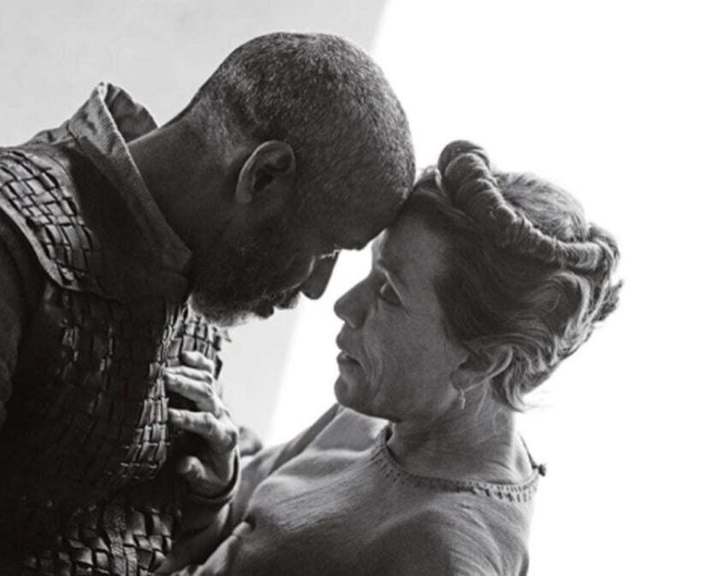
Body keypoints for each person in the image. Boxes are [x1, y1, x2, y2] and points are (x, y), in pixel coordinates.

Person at [0, 33, 415, 575]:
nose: (317, 289)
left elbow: (99, 532)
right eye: (327, 249)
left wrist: (207, 493)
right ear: (262, 175)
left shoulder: (174, 282)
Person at [164, 141, 621, 575]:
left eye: (388, 291)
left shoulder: (446, 557)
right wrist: (218, 483)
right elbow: (238, 536)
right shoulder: (378, 411)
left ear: (479, 363)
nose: (344, 305)